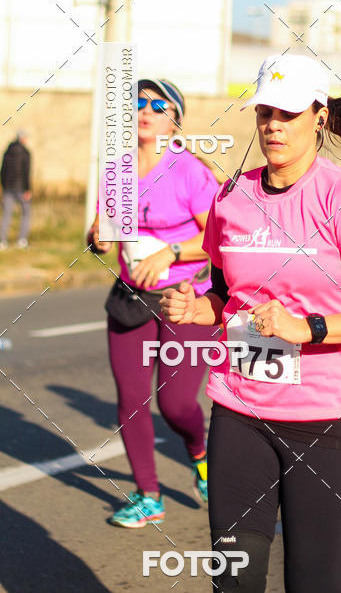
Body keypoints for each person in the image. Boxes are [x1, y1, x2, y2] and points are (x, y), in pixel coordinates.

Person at [160, 54, 341, 593]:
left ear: (319, 117)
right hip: (240, 408)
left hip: (327, 417)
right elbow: (227, 296)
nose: (273, 124)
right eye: (265, 111)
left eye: (289, 113)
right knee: (234, 580)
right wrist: (194, 305)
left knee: (312, 583)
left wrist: (308, 328)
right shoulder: (233, 197)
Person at [87, 78, 220, 527]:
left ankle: (200, 454)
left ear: (175, 120)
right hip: (130, 297)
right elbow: (104, 233)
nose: (145, 110)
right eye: (138, 103)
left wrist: (171, 252)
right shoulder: (117, 171)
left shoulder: (191, 172)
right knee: (131, 400)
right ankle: (148, 496)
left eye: (158, 105)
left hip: (186, 298)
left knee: (178, 404)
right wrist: (98, 239)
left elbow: (218, 239)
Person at [0, 130, 32, 250]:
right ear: (23, 139)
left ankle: (2, 241)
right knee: (26, 213)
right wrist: (27, 189)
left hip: (8, 188)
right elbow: (26, 172)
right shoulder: (25, 153)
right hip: (21, 188)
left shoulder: (7, 152)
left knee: (6, 214)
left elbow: (2, 170)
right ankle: (22, 240)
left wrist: (3, 185)